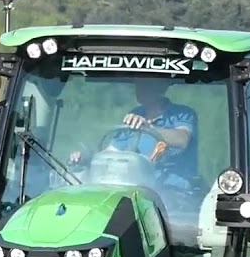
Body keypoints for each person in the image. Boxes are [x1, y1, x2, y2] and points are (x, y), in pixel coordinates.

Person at [69, 77, 199, 184]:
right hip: (133, 187)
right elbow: (112, 151)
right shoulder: (135, 114)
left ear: (161, 87)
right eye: (138, 84)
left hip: (175, 192)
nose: (140, 89)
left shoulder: (182, 114)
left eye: (146, 84)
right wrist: (87, 158)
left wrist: (149, 128)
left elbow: (182, 139)